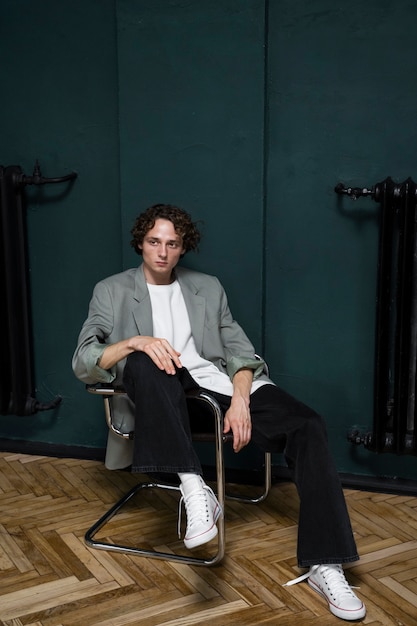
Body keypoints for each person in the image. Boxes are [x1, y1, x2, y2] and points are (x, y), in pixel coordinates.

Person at [72, 203, 366, 621]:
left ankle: (326, 563)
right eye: (154, 242)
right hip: (160, 403)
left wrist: (242, 399)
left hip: (215, 391)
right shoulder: (112, 290)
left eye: (172, 244)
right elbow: (83, 359)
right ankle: (195, 488)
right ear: (140, 242)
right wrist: (135, 342)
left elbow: (241, 354)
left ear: (182, 249)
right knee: (146, 360)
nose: (162, 252)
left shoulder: (207, 287)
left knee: (307, 423)